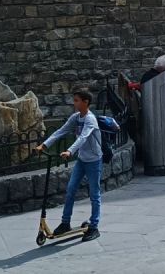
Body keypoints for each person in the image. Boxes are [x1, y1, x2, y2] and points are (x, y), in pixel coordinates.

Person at [36, 89, 105, 240]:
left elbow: (83, 138)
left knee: (94, 194)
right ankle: (65, 222)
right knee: (70, 189)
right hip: (82, 160)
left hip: (94, 161)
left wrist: (69, 151)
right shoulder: (76, 117)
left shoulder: (90, 119)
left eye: (76, 100)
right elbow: (61, 131)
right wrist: (44, 145)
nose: (74, 103)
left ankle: (94, 226)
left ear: (85, 102)